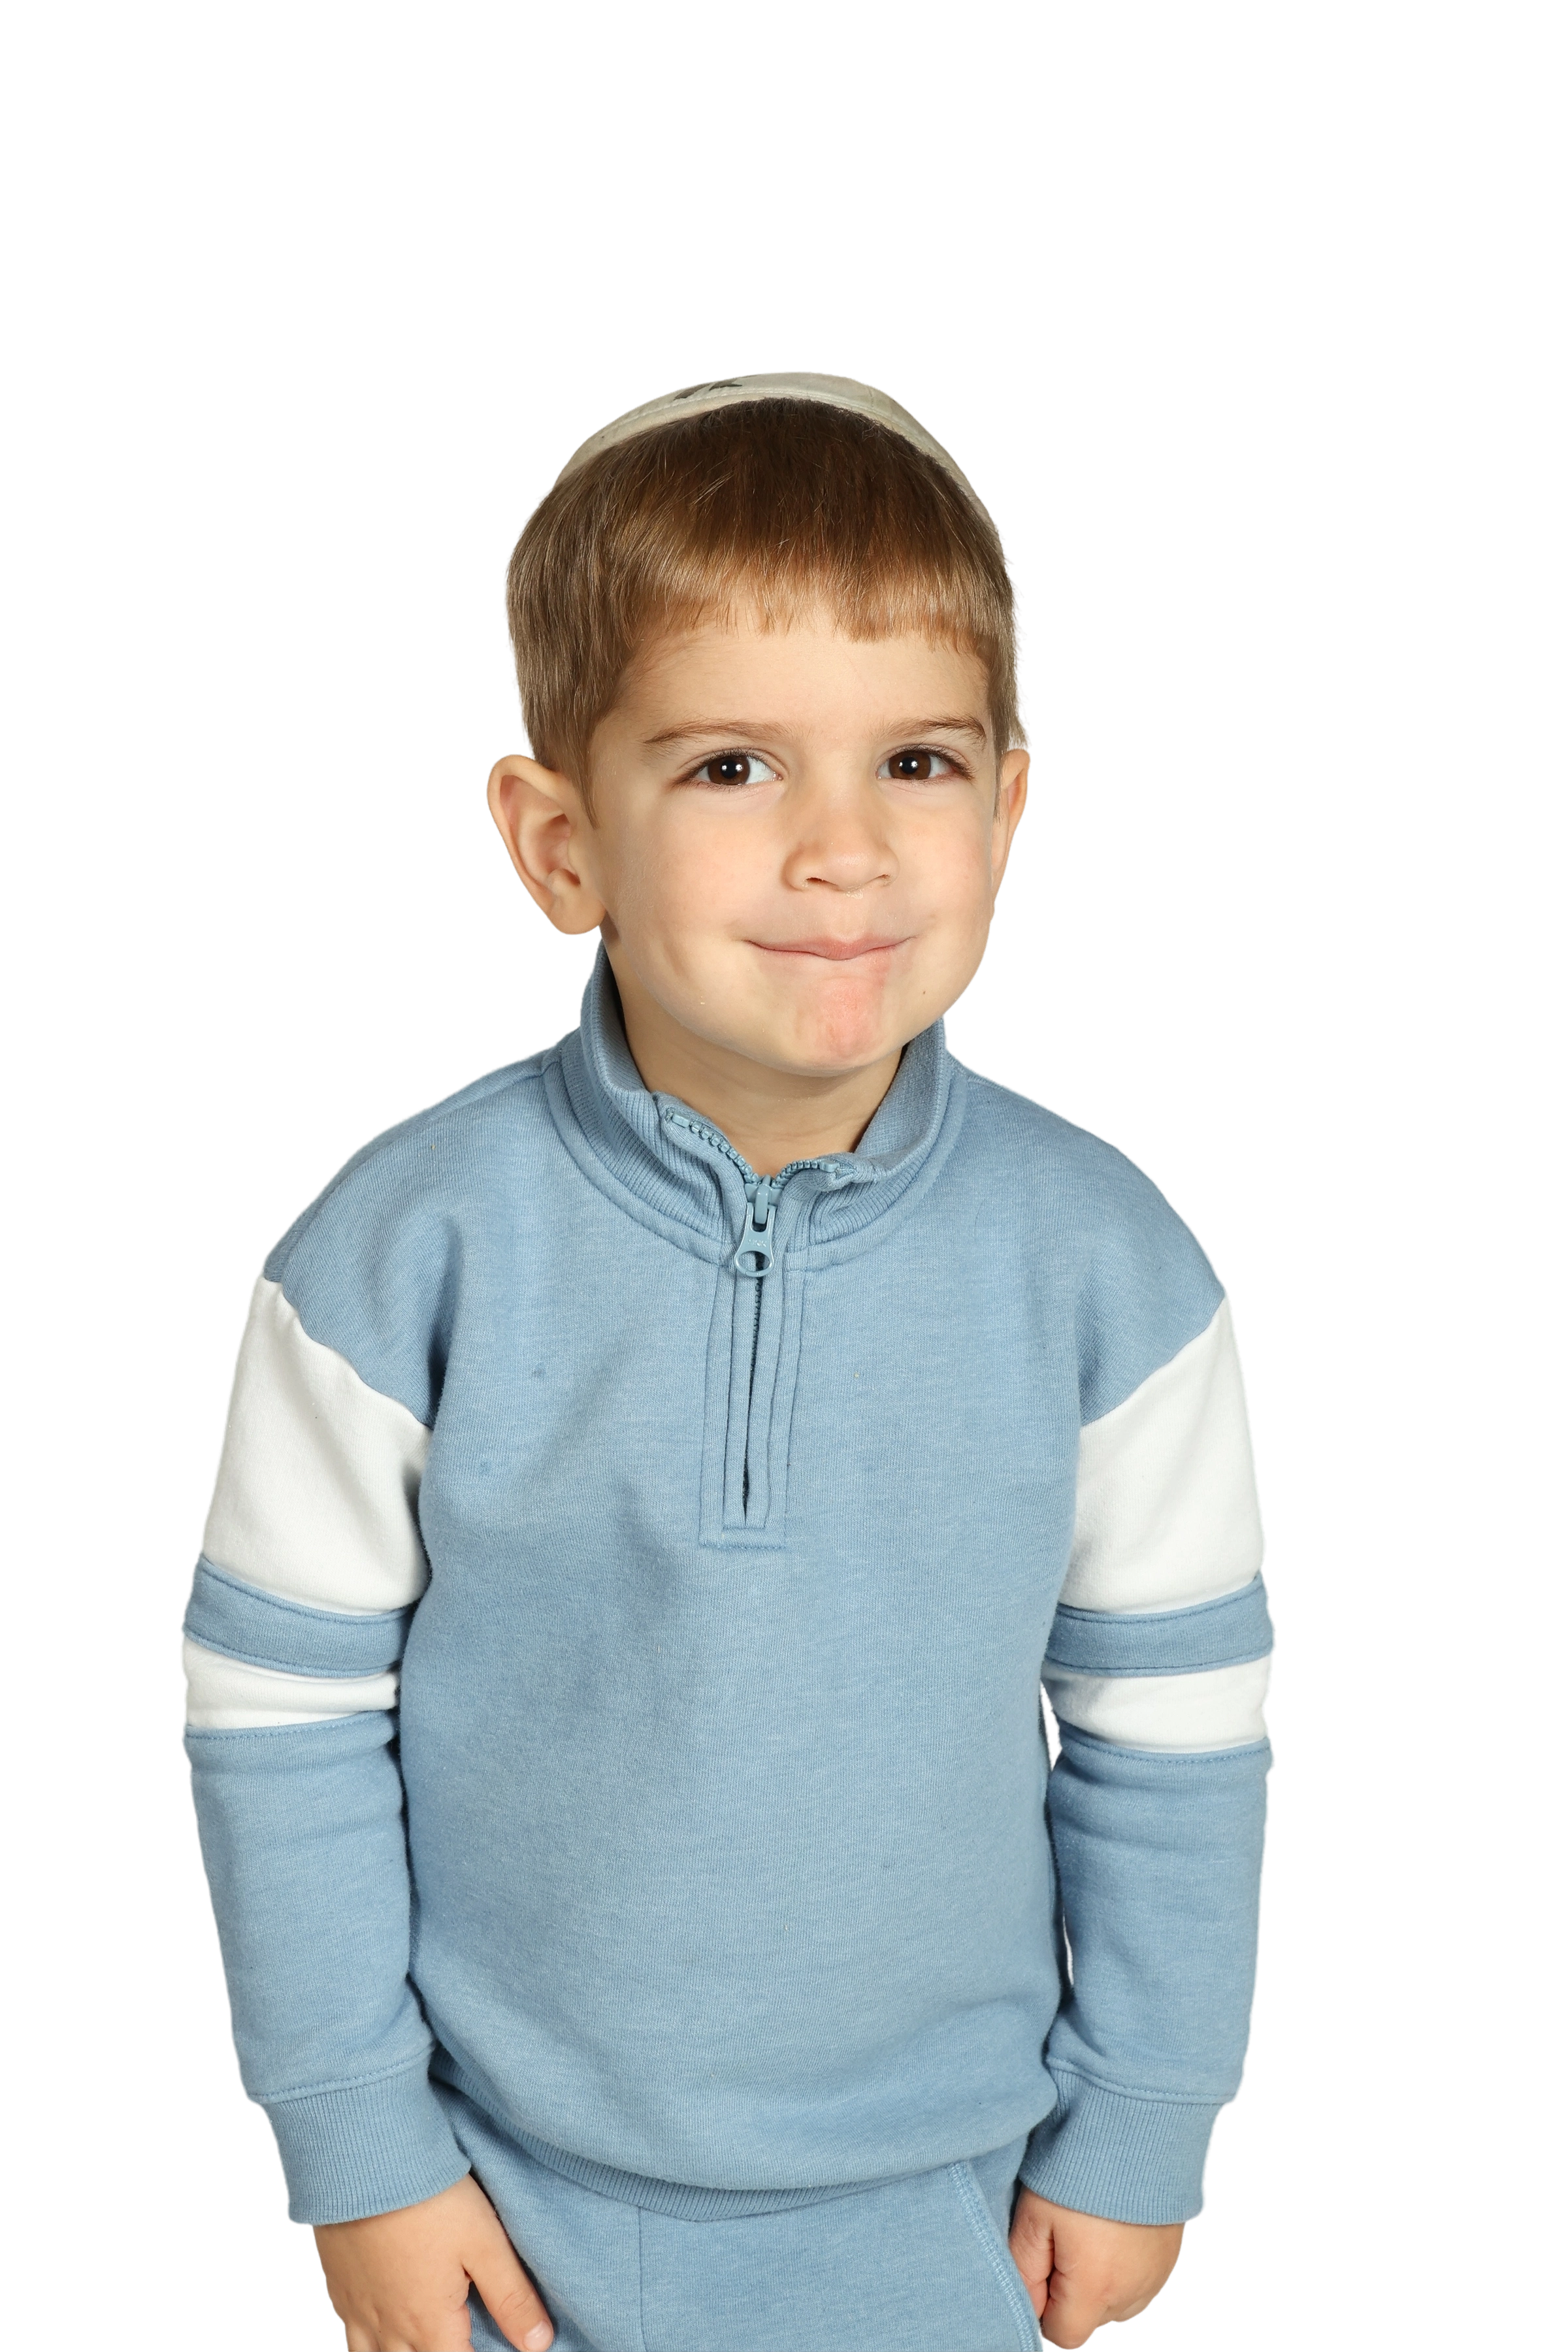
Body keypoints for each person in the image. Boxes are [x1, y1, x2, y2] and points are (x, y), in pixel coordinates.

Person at [178, 370, 1278, 2352]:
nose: (843, 851)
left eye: (918, 761)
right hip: (490, 2210)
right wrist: (359, 2148)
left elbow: (1171, 1740)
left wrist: (1140, 2127)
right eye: (732, 768)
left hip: (950, 2210)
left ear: (1011, 809)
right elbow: (282, 1724)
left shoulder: (1116, 1273)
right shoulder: (395, 1254)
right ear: (559, 843)